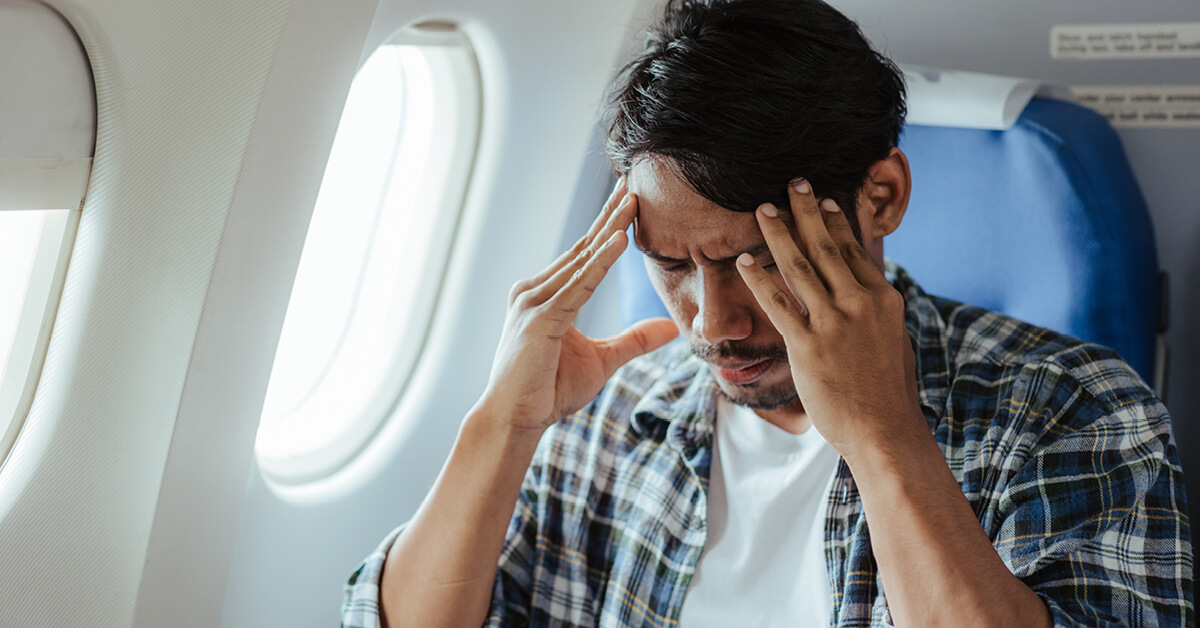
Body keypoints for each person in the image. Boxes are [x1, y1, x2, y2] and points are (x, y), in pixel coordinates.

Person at [341, 0, 1193, 625]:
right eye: (671, 264)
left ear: (882, 195)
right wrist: (503, 425)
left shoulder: (1074, 407)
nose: (711, 324)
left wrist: (883, 434)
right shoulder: (612, 416)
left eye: (755, 265)